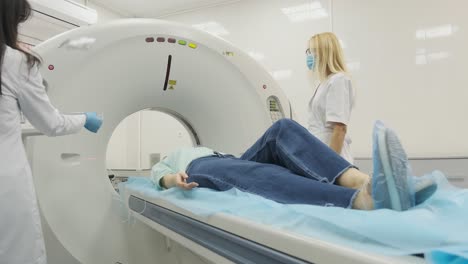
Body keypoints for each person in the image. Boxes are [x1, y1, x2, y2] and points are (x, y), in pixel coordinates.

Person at [0, 1, 103, 263]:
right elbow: (51, 123)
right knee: (18, 253)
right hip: (6, 184)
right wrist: (85, 119)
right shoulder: (17, 62)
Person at [151, 119, 430, 211]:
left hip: (227, 160)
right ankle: (360, 200)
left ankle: (362, 180)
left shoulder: (206, 146)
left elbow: (236, 164)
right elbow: (157, 177)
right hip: (201, 169)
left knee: (282, 129)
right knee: (265, 174)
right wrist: (172, 180)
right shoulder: (172, 158)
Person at [306, 32, 355, 164]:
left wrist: (330, 166)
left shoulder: (339, 80)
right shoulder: (325, 83)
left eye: (312, 51)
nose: (309, 56)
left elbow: (339, 129)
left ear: (325, 52)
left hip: (332, 155)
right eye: (308, 52)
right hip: (321, 151)